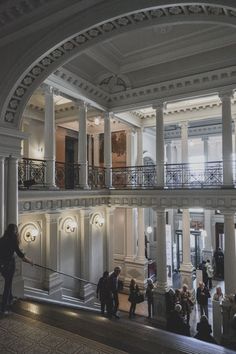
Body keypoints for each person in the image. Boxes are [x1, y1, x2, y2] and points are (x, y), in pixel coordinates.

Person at [0, 224, 33, 314]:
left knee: (8, 282)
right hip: (9, 266)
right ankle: (3, 308)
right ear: (15, 231)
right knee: (7, 285)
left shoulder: (2, 239)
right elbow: (20, 255)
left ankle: (10, 299)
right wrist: (30, 261)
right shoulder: (13, 241)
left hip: (2, 266)